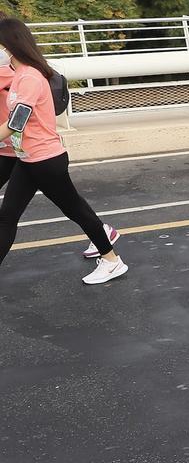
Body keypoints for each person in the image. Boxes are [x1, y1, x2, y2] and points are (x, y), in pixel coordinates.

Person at [0, 18, 128, 283]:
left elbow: (16, 122)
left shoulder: (31, 78)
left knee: (77, 210)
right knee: (8, 216)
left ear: (10, 46)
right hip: (28, 159)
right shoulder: (21, 75)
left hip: (47, 161)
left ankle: (112, 260)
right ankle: (110, 257)